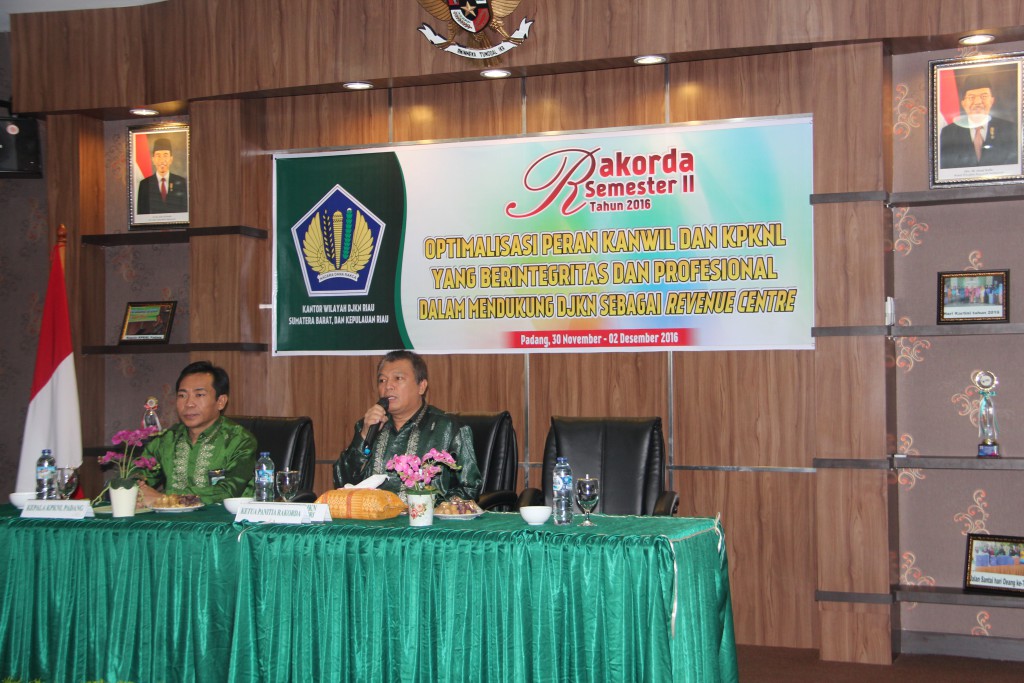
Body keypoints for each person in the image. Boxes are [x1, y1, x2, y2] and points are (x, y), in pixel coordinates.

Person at [334, 350, 482, 501]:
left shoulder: (449, 428)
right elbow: (341, 482)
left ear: (421, 386)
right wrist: (364, 437)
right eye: (382, 380)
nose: (388, 386)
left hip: (427, 515)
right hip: (372, 515)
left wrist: (429, 508)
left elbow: (469, 488)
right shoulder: (368, 427)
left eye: (398, 378)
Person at [138, 360, 257, 505]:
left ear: (220, 401)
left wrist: (164, 499)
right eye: (182, 396)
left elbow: (227, 492)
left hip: (223, 519)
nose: (189, 403)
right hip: (169, 519)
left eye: (199, 395)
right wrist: (136, 489)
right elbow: (136, 475)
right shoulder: (167, 439)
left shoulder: (239, 440)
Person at [939, 73, 1019, 169]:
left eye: (984, 96)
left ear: (992, 100)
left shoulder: (1009, 129)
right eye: (971, 97)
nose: (977, 102)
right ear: (963, 103)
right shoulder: (949, 133)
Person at [136, 136, 188, 214]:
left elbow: (184, 211)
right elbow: (141, 213)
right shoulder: (145, 184)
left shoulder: (181, 182)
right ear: (153, 159)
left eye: (165, 155)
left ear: (171, 159)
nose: (162, 160)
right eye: (158, 155)